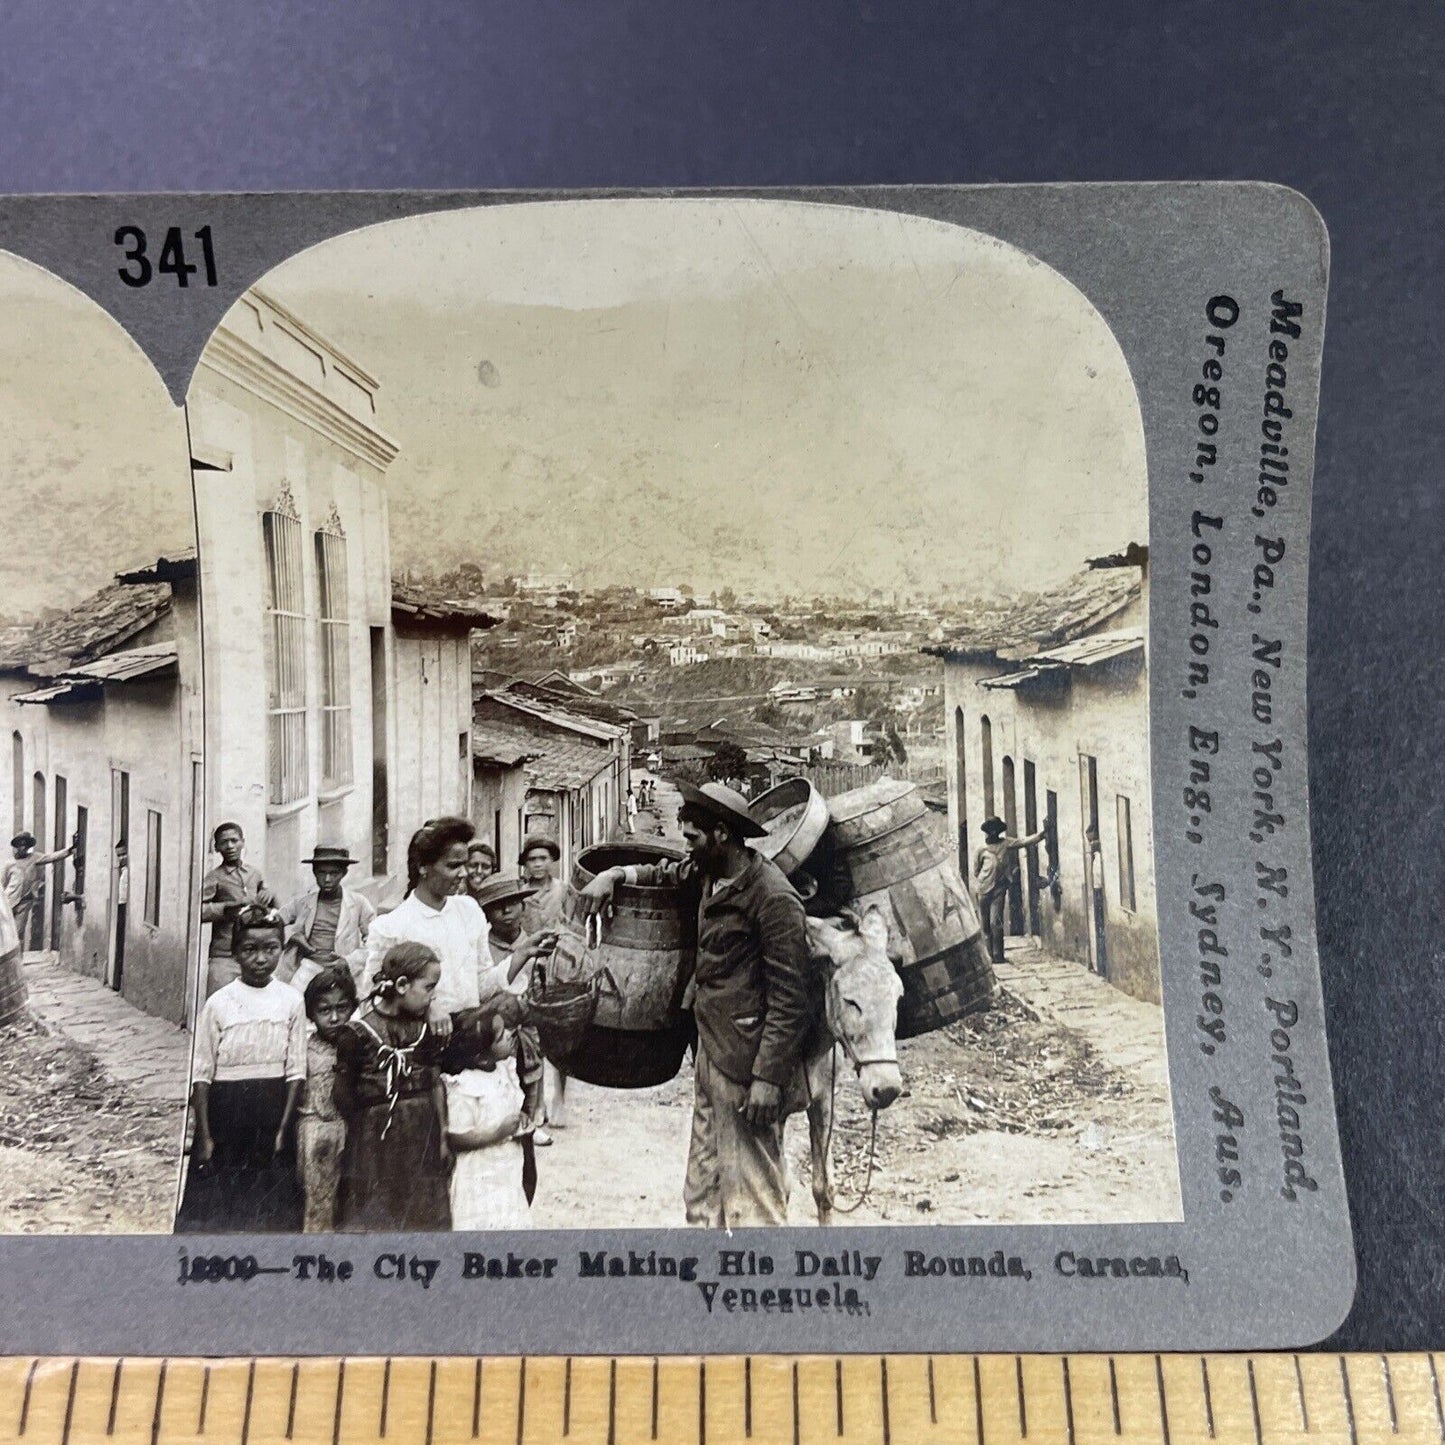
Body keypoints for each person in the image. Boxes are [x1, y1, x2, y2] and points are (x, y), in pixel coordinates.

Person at [579, 781, 812, 1228]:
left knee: (756, 1192)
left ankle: (763, 1288)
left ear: (721, 834)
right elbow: (665, 873)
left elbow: (791, 999)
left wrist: (768, 1078)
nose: (687, 848)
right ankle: (705, 1271)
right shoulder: (709, 873)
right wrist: (616, 875)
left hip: (748, 1062)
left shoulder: (773, 898)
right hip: (711, 1050)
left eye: (692, 838)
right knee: (702, 1185)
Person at [175, 905, 307, 1233]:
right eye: (250, 949)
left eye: (270, 949)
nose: (260, 959)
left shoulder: (291, 1000)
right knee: (220, 1207)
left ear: (281, 948)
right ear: (235, 953)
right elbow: (202, 1074)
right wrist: (204, 1135)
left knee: (271, 1205)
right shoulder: (219, 1003)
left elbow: (296, 1070)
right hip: (227, 1113)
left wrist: (282, 1130)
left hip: (272, 1110)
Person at [334, 941, 452, 1231]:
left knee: (422, 1216)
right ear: (401, 985)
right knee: (376, 1216)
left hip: (421, 1133)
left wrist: (442, 1137)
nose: (433, 997)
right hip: (373, 1141)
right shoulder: (358, 1032)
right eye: (429, 988)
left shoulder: (427, 1030)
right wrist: (370, 1123)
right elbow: (343, 1094)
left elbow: (435, 1082)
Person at [361, 818, 502, 1043]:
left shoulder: (469, 910)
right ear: (423, 867)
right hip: (417, 1044)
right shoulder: (392, 927)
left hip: (468, 1040)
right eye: (453, 865)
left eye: (465, 864)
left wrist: (524, 954)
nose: (464, 873)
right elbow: (374, 996)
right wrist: (428, 1006)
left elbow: (482, 984)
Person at [473, 873, 556, 1143]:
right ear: (486, 914)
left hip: (528, 1022)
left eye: (512, 903)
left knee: (532, 1071)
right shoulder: (482, 947)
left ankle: (530, 1121)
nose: (506, 911)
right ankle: (503, 1125)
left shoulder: (534, 942)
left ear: (522, 906)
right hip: (497, 1026)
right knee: (501, 1076)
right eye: (498, 906)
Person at [442, 997, 532, 1230]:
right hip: (479, 1173)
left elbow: (509, 1107)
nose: (511, 1035)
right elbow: (456, 1138)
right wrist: (496, 1133)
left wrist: (519, 1119)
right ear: (482, 1053)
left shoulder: (504, 1070)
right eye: (502, 1036)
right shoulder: (465, 1087)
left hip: (507, 1167)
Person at [297, 965, 357, 1233]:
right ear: (311, 1014)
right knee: (318, 1198)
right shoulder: (305, 1048)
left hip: (350, 1128)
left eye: (342, 1008)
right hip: (316, 1131)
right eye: (325, 1011)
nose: (334, 1018)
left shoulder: (358, 1042)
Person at [280, 845, 376, 992]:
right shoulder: (303, 902)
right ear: (314, 872)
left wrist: (349, 961)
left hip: (342, 971)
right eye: (321, 873)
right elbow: (274, 922)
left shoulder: (358, 903)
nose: (327, 879)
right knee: (296, 1002)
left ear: (344, 873)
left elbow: (374, 940)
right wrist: (294, 936)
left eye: (334, 873)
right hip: (308, 968)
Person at [200, 823, 279, 996]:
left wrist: (270, 894)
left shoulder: (254, 874)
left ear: (242, 842)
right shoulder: (214, 877)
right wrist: (224, 909)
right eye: (224, 842)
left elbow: (273, 910)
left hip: (253, 953)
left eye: (234, 841)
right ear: (216, 847)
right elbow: (197, 912)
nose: (229, 846)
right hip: (224, 955)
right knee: (220, 1000)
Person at [973, 816, 1047, 966]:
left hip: (999, 889)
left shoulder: (1005, 843)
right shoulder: (981, 849)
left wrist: (1041, 835)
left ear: (998, 832)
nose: (992, 833)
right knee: (985, 925)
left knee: (996, 922)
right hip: (983, 890)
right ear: (987, 832)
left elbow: (1023, 842)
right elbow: (976, 870)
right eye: (990, 831)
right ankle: (989, 957)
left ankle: (998, 955)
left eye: (995, 831)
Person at [3, 831, 73, 949]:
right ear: (16, 847)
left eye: (25, 845)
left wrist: (69, 850)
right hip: (8, 901)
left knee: (19, 932)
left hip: (24, 902)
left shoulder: (34, 858)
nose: (22, 848)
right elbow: (1, 884)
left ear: (28, 846)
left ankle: (18, 961)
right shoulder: (9, 864)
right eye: (20, 845)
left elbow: (51, 857)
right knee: (6, 932)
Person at [519, 836, 566, 933]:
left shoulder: (562, 889)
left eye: (543, 858)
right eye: (532, 859)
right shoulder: (519, 893)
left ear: (552, 860)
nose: (537, 864)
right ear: (525, 863)